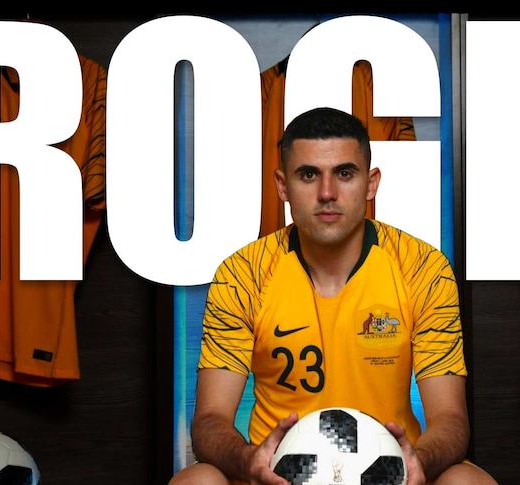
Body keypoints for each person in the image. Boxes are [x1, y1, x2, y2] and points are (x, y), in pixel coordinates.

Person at [168, 107, 497, 485]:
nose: (327, 193)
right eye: (308, 175)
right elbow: (209, 420)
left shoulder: (421, 268)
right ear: (282, 185)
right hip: (276, 477)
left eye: (344, 173)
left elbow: (451, 419)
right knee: (197, 480)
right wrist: (249, 460)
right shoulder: (243, 275)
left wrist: (418, 461)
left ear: (371, 183)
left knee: (467, 481)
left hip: (395, 476)